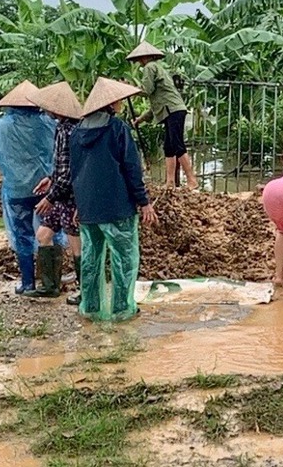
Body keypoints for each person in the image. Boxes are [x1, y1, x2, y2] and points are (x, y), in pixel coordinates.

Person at [71, 77, 157, 322]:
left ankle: (90, 307)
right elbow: (131, 168)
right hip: (117, 205)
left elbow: (75, 172)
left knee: (91, 259)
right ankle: (122, 309)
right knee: (123, 260)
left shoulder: (77, 132)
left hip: (88, 207)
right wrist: (143, 201)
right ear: (111, 103)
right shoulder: (118, 129)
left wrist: (79, 203)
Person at [0, 80, 59, 295]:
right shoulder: (48, 124)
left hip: (16, 189)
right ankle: (51, 281)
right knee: (50, 230)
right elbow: (58, 151)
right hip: (47, 188)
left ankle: (27, 282)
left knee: (22, 233)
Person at [31, 81, 84, 303]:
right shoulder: (62, 128)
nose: (45, 111)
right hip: (60, 193)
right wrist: (50, 179)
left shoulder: (70, 131)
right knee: (43, 235)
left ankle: (85, 291)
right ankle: (50, 286)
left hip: (69, 197)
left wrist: (51, 197)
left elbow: (72, 171)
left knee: (77, 246)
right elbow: (62, 166)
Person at [128, 42, 197, 189]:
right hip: (172, 110)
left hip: (173, 110)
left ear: (143, 57)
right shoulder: (157, 69)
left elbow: (146, 90)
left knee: (177, 145)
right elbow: (156, 105)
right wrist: (140, 119)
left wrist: (129, 89)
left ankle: (192, 180)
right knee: (169, 147)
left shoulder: (149, 67)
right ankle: (170, 182)